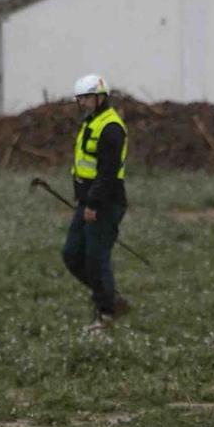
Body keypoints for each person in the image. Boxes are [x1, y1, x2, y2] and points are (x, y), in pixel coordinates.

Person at [63, 72, 130, 330]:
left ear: (102, 97)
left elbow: (108, 172)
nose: (84, 103)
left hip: (104, 203)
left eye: (89, 97)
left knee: (95, 258)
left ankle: (106, 315)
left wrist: (93, 205)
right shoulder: (91, 123)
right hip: (87, 202)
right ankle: (110, 298)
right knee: (71, 254)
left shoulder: (111, 128)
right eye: (81, 99)